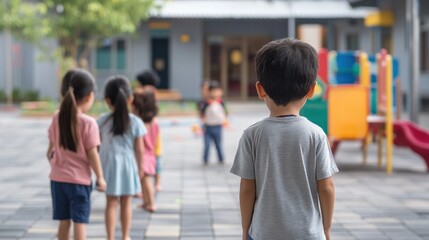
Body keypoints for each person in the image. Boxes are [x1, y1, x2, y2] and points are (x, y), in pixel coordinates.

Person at [230, 38, 339, 240]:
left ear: (260, 90)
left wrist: (246, 230)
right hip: (308, 233)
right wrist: (327, 228)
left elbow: (247, 189)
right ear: (311, 90)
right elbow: (327, 187)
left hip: (264, 233)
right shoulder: (316, 134)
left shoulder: (252, 135)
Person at [46, 69, 106, 240]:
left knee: (64, 222)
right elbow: (92, 154)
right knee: (79, 221)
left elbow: (50, 151)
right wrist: (100, 177)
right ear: (89, 97)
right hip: (79, 182)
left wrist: (57, 165)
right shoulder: (89, 123)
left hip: (57, 180)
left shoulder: (56, 117)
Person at [97, 76, 147, 240]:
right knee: (126, 203)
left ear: (107, 100)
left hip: (108, 165)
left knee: (111, 203)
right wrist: (140, 168)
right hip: (128, 164)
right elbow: (139, 149)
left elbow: (96, 146)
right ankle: (125, 236)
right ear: (130, 99)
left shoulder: (102, 121)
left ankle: (110, 237)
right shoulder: (136, 122)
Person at [132, 89, 160, 212]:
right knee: (143, 179)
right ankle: (145, 202)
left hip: (144, 154)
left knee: (146, 179)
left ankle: (152, 203)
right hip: (151, 153)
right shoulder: (154, 120)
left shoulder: (141, 122)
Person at [135, 70, 163, 191]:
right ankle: (157, 182)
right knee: (156, 154)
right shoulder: (152, 92)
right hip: (153, 126)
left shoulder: (146, 92)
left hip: (148, 126)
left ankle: (154, 182)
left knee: (152, 154)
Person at [201, 80, 227, 165]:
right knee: (207, 145)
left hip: (218, 127)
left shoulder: (221, 102)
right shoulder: (206, 103)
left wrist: (224, 120)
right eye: (213, 91)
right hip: (208, 127)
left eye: (218, 90)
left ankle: (221, 158)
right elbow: (202, 113)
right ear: (209, 92)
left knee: (218, 144)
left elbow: (225, 112)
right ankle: (205, 159)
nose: (216, 93)